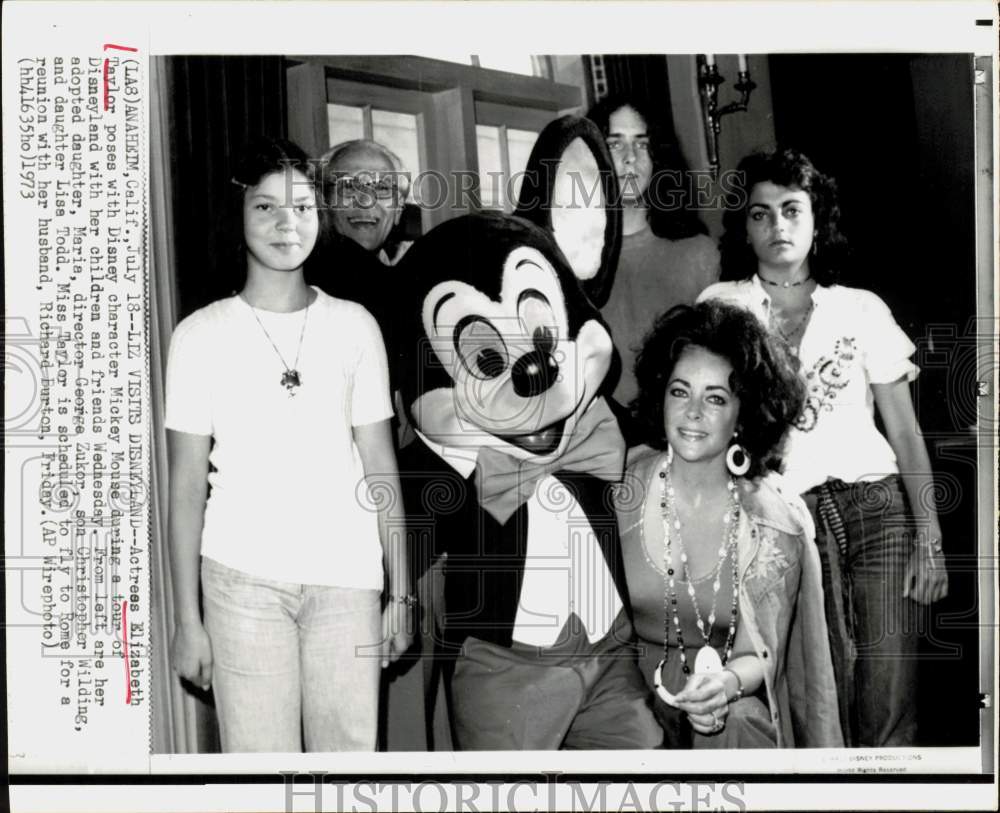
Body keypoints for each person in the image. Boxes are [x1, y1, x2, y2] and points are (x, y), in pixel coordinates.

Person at [165, 137, 412, 752]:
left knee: (348, 774)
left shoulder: (356, 326)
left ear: (320, 216)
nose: (286, 224)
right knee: (257, 778)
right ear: (240, 215)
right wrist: (186, 620)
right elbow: (186, 488)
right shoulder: (199, 335)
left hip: (348, 584)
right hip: (241, 583)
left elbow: (380, 470)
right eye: (265, 208)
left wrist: (401, 595)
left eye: (301, 206)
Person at [699, 148, 949, 746]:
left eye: (792, 210)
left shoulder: (860, 309)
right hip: (785, 525)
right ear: (745, 226)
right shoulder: (721, 307)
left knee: (889, 712)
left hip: (878, 517)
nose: (778, 227)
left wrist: (930, 540)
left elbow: (905, 435)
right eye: (761, 214)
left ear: (817, 221)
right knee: (819, 709)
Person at [617, 301, 843, 748]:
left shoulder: (775, 523)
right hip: (620, 694)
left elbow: (761, 653)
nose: (693, 412)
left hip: (720, 700)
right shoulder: (615, 488)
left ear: (743, 416)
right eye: (680, 392)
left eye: (715, 398)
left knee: (742, 721)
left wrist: (726, 685)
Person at [586, 95, 720, 409]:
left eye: (642, 144)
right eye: (615, 144)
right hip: (593, 448)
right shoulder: (571, 261)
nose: (630, 158)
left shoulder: (700, 254)